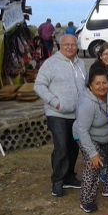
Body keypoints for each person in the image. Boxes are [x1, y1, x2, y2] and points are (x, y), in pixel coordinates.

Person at [34, 34, 86, 197]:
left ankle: (69, 176)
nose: (70, 47)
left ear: (77, 47)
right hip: (57, 113)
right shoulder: (50, 64)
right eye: (66, 44)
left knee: (73, 147)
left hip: (77, 114)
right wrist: (55, 102)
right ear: (60, 46)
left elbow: (85, 86)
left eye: (73, 44)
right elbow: (39, 85)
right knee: (61, 146)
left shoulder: (81, 64)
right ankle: (58, 180)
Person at [72, 67, 108, 213]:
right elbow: (82, 130)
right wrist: (92, 153)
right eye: (97, 83)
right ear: (90, 86)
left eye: (104, 82)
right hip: (88, 136)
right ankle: (86, 199)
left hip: (107, 134)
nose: (102, 86)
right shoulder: (86, 104)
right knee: (94, 164)